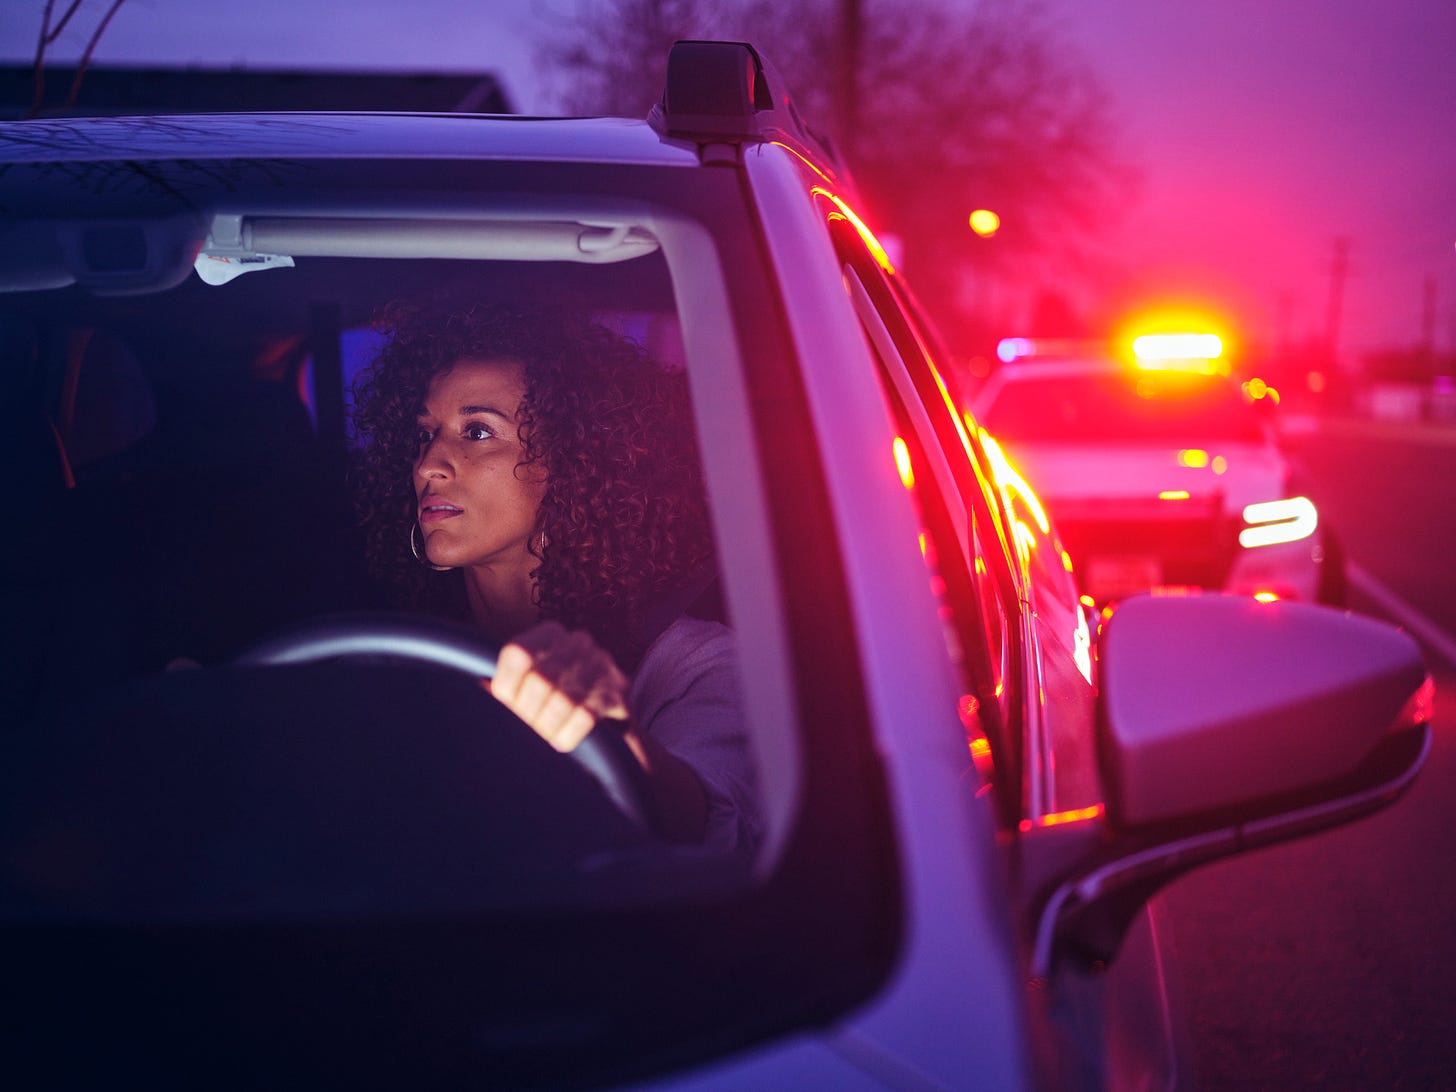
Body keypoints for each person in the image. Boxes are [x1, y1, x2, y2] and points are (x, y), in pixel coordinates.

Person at [351, 299, 757, 852]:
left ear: (572, 463)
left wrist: (610, 735)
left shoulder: (694, 667)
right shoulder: (389, 655)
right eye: (425, 434)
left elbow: (717, 830)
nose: (428, 466)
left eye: (477, 432)